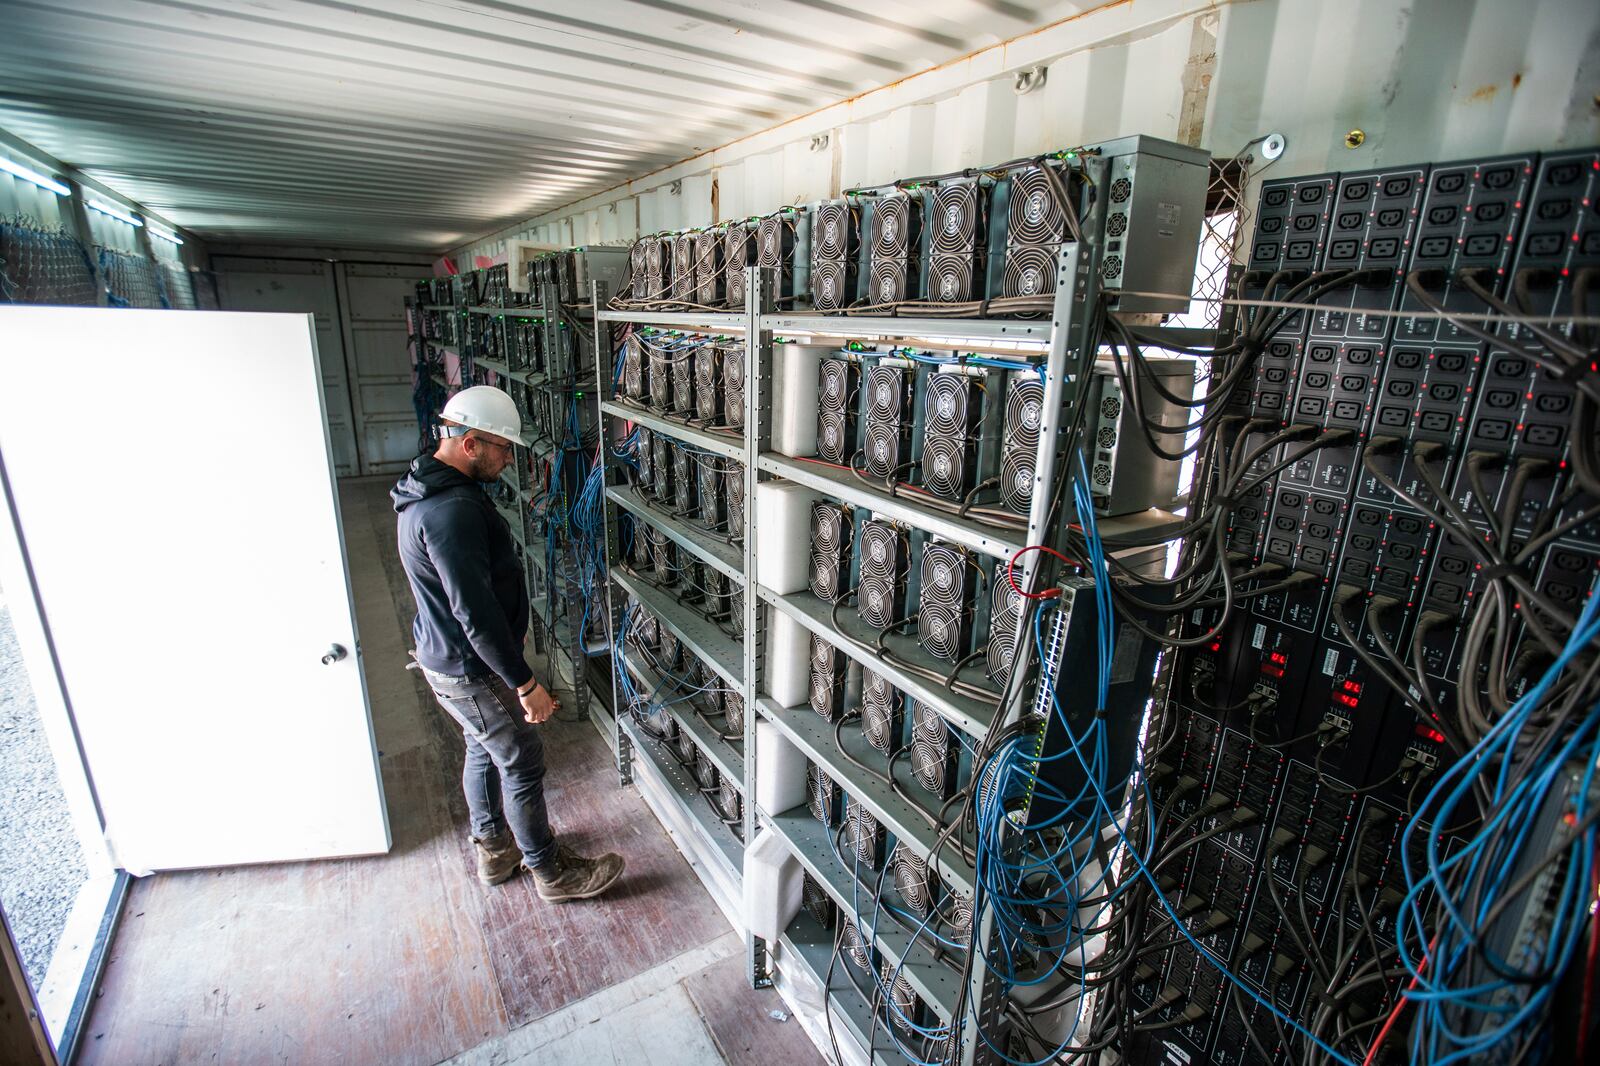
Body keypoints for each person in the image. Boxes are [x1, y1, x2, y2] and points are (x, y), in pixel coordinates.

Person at [392, 385, 624, 902]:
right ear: (470, 443)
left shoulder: (425, 489)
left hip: (446, 658)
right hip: (468, 667)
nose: (508, 458)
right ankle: (551, 873)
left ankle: (496, 852)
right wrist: (524, 683)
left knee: (482, 748)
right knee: (520, 758)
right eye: (502, 448)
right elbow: (474, 614)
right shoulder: (450, 511)